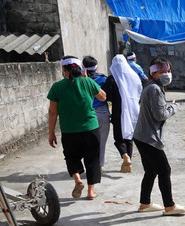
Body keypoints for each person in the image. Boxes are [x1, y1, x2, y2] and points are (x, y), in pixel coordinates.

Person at [133, 57, 185, 216]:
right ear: (153, 73)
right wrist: (174, 106)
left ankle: (145, 203)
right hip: (148, 137)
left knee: (151, 171)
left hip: (142, 136)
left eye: (168, 71)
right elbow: (160, 115)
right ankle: (169, 206)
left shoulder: (151, 86)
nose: (167, 74)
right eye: (162, 71)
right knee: (164, 170)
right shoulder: (155, 89)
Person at [47, 56, 106, 199]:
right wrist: (87, 80)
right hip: (90, 128)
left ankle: (78, 180)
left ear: (64, 69)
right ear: (80, 69)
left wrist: (51, 133)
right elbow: (103, 97)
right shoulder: (88, 82)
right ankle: (91, 191)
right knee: (92, 159)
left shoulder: (57, 87)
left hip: (69, 130)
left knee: (71, 157)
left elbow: (53, 112)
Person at [104, 54, 142, 173]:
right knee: (129, 136)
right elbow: (140, 91)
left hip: (118, 111)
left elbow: (107, 96)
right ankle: (128, 163)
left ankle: (125, 156)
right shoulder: (134, 76)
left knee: (119, 137)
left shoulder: (112, 79)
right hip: (134, 110)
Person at [82, 56, 111, 171]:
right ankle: (100, 165)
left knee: (88, 143)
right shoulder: (104, 79)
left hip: (87, 114)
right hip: (103, 112)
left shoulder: (80, 81)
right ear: (96, 67)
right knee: (101, 142)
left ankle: (90, 166)